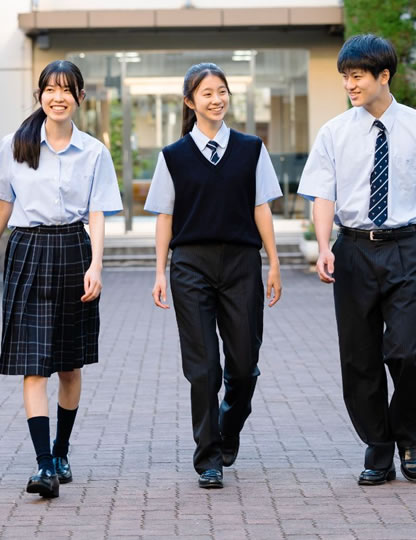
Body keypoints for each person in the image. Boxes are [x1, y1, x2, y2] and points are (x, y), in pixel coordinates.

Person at [297, 34, 416, 486]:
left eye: (357, 76)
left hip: (405, 248)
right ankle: (378, 446)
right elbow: (323, 194)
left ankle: (409, 436)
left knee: (407, 351)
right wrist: (326, 244)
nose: (349, 84)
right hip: (352, 249)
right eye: (345, 77)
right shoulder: (334, 132)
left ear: (383, 76)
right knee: (359, 356)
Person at [0, 60, 122, 499]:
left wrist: (96, 264)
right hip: (27, 250)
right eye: (50, 89)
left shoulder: (94, 151)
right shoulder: (15, 145)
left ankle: (61, 449)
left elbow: (97, 212)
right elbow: (3, 205)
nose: (58, 97)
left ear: (79, 98)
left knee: (70, 364)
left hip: (74, 249)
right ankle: (43, 466)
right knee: (33, 363)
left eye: (67, 90)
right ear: (39, 95)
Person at [145, 62, 283, 489]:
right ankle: (208, 457)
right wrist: (160, 271)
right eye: (206, 93)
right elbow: (164, 217)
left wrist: (274, 261)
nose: (216, 99)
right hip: (190, 266)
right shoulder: (173, 157)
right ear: (190, 102)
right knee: (203, 367)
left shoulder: (251, 149)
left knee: (243, 366)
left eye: (221, 91)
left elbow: (262, 207)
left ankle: (229, 422)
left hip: (242, 264)